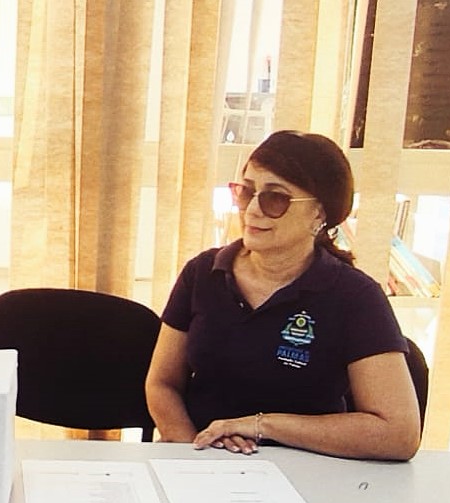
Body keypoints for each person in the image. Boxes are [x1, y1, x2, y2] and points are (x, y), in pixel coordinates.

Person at [145, 130, 421, 461]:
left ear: (319, 214)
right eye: (246, 192)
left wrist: (262, 426)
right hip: (200, 457)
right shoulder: (203, 273)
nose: (252, 210)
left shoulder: (355, 296)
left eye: (275, 198)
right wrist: (192, 451)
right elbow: (162, 383)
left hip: (308, 472)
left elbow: (398, 433)